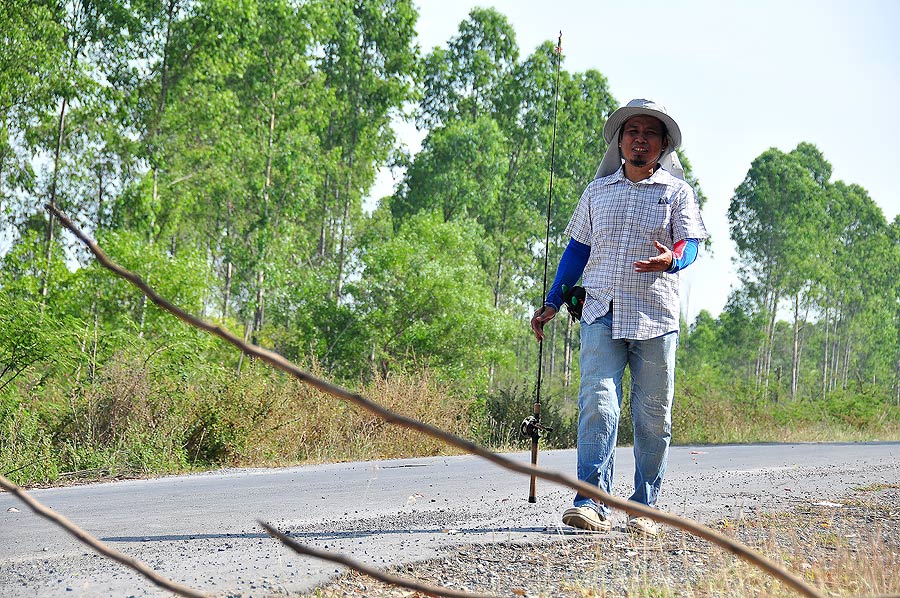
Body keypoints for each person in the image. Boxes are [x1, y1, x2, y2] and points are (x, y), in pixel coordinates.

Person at [530, 99, 707, 536]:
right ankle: (590, 501)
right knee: (598, 403)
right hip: (600, 310)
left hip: (655, 317)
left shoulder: (676, 192)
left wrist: (673, 259)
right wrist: (553, 301)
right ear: (620, 141)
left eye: (650, 133)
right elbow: (577, 251)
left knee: (652, 416)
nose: (640, 139)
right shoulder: (598, 191)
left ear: (663, 144)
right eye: (633, 132)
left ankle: (644, 505)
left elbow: (691, 243)